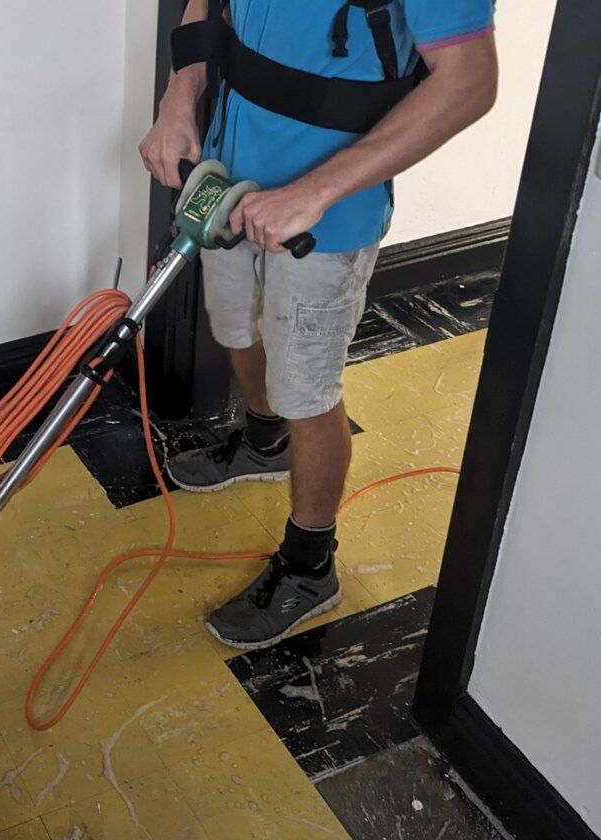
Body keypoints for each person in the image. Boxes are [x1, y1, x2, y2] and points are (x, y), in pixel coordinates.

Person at [139, 0, 497, 650]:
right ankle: (263, 442)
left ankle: (309, 566)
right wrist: (177, 96)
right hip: (229, 174)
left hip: (326, 218)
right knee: (236, 330)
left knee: (307, 387)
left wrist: (314, 194)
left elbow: (469, 81)